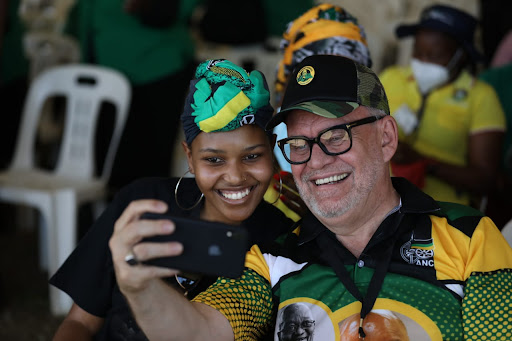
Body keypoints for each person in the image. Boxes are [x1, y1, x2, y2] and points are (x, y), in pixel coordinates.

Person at [113, 55, 512, 341]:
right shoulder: (274, 256)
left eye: (336, 136)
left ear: (387, 137)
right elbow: (201, 331)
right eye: (299, 143)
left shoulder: (469, 235)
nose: (316, 161)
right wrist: (140, 289)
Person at [49, 59, 295, 340]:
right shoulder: (141, 205)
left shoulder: (280, 241)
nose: (235, 176)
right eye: (214, 160)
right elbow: (80, 323)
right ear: (189, 157)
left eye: (252, 156)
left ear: (272, 150)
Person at [379, 4, 506, 208]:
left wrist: (424, 163)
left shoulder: (480, 97)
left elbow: (485, 180)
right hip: (384, 207)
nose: (423, 61)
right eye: (417, 52)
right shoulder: (391, 78)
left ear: (460, 56)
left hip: (444, 213)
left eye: (434, 55)